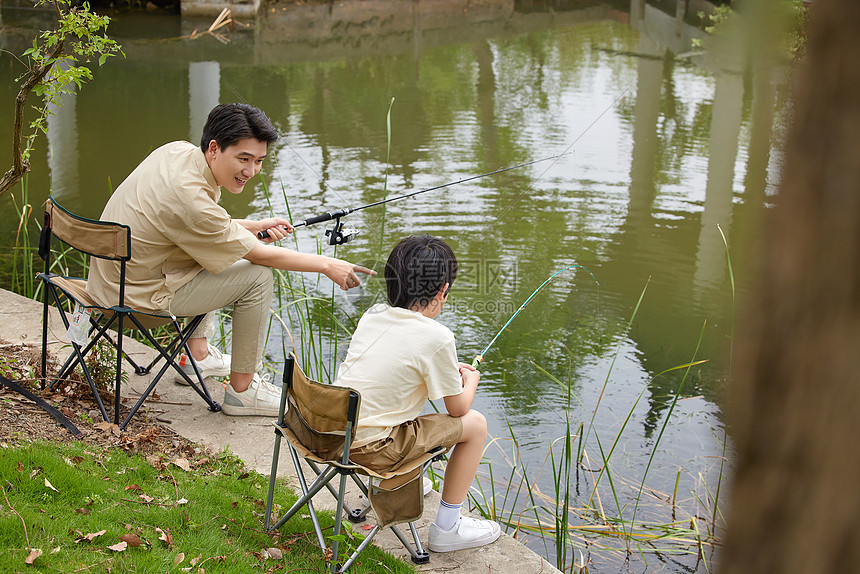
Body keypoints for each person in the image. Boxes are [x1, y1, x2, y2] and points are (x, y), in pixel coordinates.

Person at [86, 103, 374, 417]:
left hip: (109, 283)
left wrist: (254, 225)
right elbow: (254, 253)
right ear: (214, 148)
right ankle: (242, 391)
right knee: (257, 277)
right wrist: (328, 264)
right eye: (243, 159)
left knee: (216, 253)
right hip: (133, 303)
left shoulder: (175, 152)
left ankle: (197, 355)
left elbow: (201, 225)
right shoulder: (191, 198)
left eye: (259, 161)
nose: (251, 171)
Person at [334, 235, 501, 552]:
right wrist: (472, 380)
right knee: (476, 425)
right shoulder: (437, 336)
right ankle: (448, 528)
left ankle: (408, 478)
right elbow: (458, 409)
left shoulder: (373, 315)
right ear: (443, 291)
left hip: (331, 434)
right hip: (373, 451)